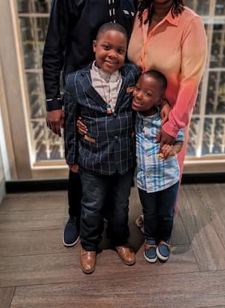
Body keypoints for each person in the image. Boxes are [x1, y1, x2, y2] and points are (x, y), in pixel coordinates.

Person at [42, 0, 139, 247]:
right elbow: (53, 49)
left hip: (117, 100)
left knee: (114, 161)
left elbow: (136, 53)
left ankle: (114, 222)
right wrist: (54, 103)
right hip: (79, 96)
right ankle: (76, 216)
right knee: (78, 161)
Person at [128, 0, 207, 226]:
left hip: (170, 121)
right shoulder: (140, 17)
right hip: (141, 116)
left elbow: (191, 82)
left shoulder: (191, 24)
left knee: (168, 175)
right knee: (147, 173)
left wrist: (172, 126)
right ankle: (150, 217)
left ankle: (163, 230)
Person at [64, 22, 140, 274]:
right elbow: (70, 123)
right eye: (106, 47)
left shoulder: (132, 74)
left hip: (123, 157)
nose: (112, 54)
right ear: (95, 46)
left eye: (120, 50)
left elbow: (142, 105)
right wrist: (72, 157)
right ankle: (89, 245)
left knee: (120, 204)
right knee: (92, 204)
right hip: (91, 158)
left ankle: (120, 240)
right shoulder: (75, 81)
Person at [132, 70, 184, 263]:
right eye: (138, 89)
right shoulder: (133, 117)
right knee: (149, 212)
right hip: (145, 181)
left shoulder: (166, 120)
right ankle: (150, 240)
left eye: (148, 93)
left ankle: (165, 239)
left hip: (168, 178)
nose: (139, 95)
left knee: (166, 213)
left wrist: (173, 149)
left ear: (159, 99)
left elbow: (180, 140)